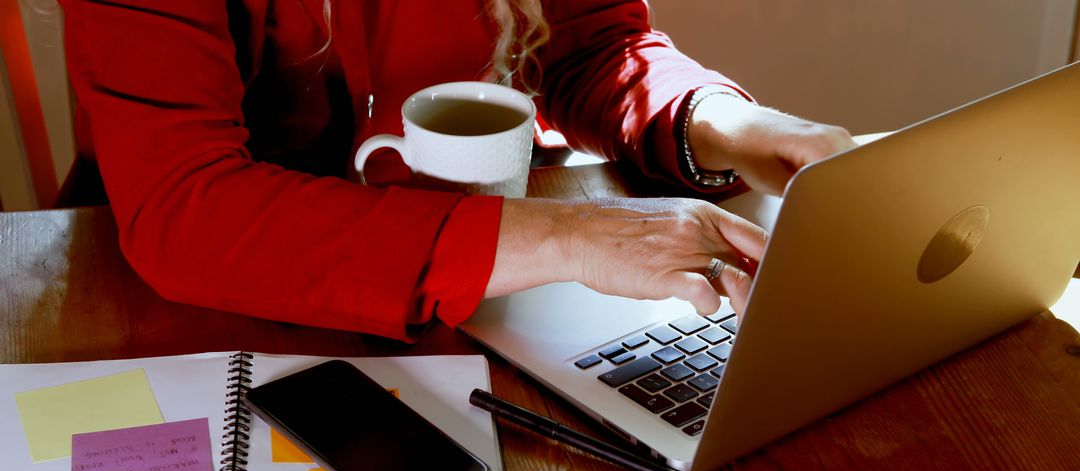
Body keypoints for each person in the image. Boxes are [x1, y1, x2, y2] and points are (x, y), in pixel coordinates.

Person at [57, 0, 854, 341]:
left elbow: (592, 49)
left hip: (490, 301)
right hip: (198, 312)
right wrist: (572, 235)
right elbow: (188, 207)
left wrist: (724, 124)